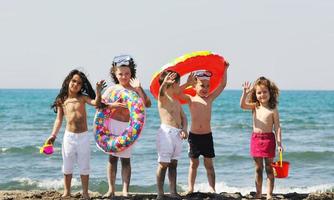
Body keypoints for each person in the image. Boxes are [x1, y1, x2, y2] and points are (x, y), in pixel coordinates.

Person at [46, 69, 106, 199]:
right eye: (74, 81)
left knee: (84, 166)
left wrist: (98, 92)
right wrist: (53, 135)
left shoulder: (83, 98)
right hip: (69, 137)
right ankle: (67, 192)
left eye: (79, 83)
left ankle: (85, 193)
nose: (75, 84)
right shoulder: (62, 100)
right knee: (67, 166)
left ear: (81, 86)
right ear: (68, 81)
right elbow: (59, 120)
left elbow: (96, 103)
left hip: (83, 137)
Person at [102, 55, 151, 197]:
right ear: (115, 74)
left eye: (127, 74)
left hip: (128, 127)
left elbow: (147, 104)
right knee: (112, 158)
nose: (124, 76)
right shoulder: (112, 90)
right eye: (120, 74)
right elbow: (100, 106)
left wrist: (139, 89)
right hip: (112, 125)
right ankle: (111, 189)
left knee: (125, 159)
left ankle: (125, 190)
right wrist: (113, 105)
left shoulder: (135, 89)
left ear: (131, 74)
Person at [179, 63, 228, 194]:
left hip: (207, 136)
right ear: (194, 87)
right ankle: (190, 188)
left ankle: (212, 188)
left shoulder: (210, 98)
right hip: (194, 137)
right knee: (193, 164)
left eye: (207, 86)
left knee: (209, 165)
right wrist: (187, 83)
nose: (205, 88)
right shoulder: (190, 99)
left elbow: (222, 85)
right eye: (202, 85)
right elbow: (176, 93)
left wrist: (225, 69)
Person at [240, 76, 283, 200]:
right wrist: (244, 93)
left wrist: (279, 144)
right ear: (255, 94)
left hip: (269, 139)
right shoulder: (255, 106)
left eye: (265, 92)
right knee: (258, 168)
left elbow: (278, 127)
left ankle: (269, 194)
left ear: (270, 92)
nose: (262, 95)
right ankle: (258, 194)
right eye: (259, 92)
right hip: (256, 139)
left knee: (269, 168)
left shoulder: (273, 109)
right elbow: (242, 105)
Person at [156, 70, 188, 199]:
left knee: (174, 164)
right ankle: (160, 193)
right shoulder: (163, 98)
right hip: (166, 134)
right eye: (178, 83)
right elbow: (160, 92)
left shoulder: (177, 101)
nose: (179, 86)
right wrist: (164, 83)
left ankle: (173, 192)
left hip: (177, 134)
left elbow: (184, 117)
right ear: (171, 84)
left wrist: (185, 129)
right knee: (163, 164)